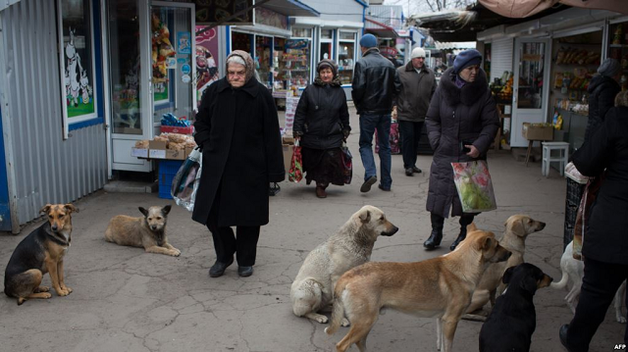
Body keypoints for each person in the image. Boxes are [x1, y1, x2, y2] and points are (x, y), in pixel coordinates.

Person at [192, 50, 285, 278]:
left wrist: (274, 172)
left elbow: (272, 135)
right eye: (231, 73)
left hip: (251, 167)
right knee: (212, 214)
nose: (234, 77)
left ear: (249, 71)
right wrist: (205, 142)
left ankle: (245, 260)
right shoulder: (214, 91)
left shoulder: (261, 95)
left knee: (249, 217)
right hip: (218, 166)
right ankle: (224, 256)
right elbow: (201, 122)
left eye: (240, 73)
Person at [560, 90, 628, 352]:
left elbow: (586, 162)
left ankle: (576, 340)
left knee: (596, 295)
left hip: (615, 225)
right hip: (615, 225)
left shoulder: (619, 118)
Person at [423, 49, 499, 251]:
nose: (474, 72)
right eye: (470, 68)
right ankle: (435, 232)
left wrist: (479, 146)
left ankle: (464, 234)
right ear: (459, 69)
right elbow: (431, 118)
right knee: (438, 195)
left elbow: (491, 123)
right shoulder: (443, 89)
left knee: (468, 200)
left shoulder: (483, 93)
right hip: (444, 151)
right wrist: (436, 141)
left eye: (477, 68)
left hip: (469, 154)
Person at [293, 59, 351, 198]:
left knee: (329, 161)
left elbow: (344, 113)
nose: (325, 75)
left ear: (333, 73)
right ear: (319, 74)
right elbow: (301, 111)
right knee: (313, 160)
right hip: (312, 133)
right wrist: (297, 130)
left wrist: (346, 128)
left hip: (333, 134)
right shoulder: (310, 90)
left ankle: (322, 185)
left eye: (328, 72)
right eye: (323, 72)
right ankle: (316, 179)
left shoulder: (340, 92)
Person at [351, 33, 401, 193]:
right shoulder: (389, 64)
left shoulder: (362, 63)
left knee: (365, 143)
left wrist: (359, 105)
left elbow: (358, 88)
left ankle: (370, 173)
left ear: (363, 47)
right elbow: (397, 87)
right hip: (384, 111)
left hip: (368, 111)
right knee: (385, 146)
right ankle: (386, 182)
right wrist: (391, 103)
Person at [393, 47, 436, 176]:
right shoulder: (401, 72)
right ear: (412, 58)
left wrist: (433, 108)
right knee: (408, 138)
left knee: (416, 139)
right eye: (418, 58)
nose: (421, 60)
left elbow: (435, 92)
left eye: (423, 58)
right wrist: (394, 106)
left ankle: (413, 163)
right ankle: (408, 165)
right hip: (405, 112)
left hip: (422, 113)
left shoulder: (429, 74)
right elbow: (394, 90)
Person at [583, 58, 621, 143]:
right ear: (614, 74)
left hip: (594, 129)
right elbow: (606, 111)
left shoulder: (598, 85)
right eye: (619, 73)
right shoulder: (608, 88)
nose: (620, 76)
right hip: (601, 133)